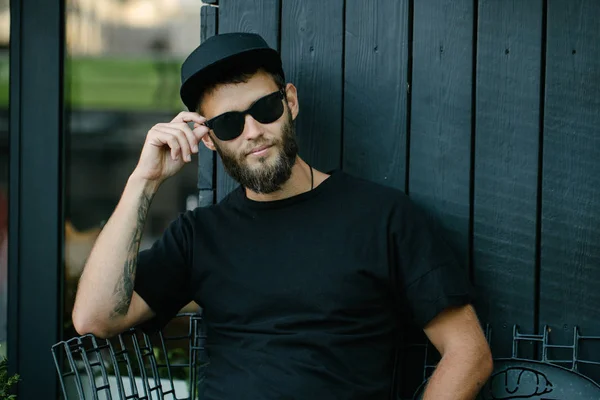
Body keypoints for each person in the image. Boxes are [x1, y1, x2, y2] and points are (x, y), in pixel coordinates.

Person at [73, 33, 493, 399]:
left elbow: (467, 352)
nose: (253, 130)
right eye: (229, 123)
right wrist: (144, 181)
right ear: (211, 140)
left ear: (290, 102)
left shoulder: (383, 218)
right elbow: (95, 319)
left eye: (266, 108)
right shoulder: (200, 235)